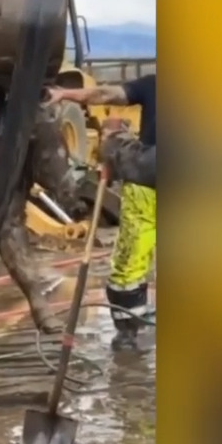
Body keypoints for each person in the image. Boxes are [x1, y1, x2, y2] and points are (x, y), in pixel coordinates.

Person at [47, 75, 157, 349]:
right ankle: (128, 328)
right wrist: (65, 95)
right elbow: (106, 94)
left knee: (131, 262)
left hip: (148, 181)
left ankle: (128, 331)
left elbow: (108, 94)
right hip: (148, 185)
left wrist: (115, 142)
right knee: (130, 264)